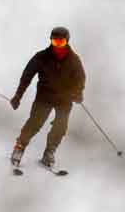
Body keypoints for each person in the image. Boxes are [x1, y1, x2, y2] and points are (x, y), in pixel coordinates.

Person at [9, 26, 86, 171]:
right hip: (45, 96)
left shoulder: (74, 60)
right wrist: (18, 96)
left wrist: (78, 93)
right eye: (55, 42)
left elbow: (80, 79)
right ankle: (19, 147)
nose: (57, 46)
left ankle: (49, 152)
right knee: (35, 123)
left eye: (60, 42)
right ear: (50, 41)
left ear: (67, 42)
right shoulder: (41, 57)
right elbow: (27, 76)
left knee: (61, 126)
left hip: (64, 98)